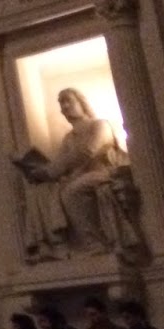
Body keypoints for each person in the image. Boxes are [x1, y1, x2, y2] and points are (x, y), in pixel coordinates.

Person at [15, 88, 141, 260]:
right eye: (61, 103)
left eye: (69, 101)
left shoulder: (100, 125)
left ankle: (94, 242)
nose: (65, 106)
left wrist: (50, 171)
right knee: (40, 191)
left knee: (73, 191)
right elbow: (60, 161)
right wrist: (40, 171)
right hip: (77, 176)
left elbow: (87, 151)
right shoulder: (69, 138)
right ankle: (54, 245)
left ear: (82, 103)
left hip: (103, 172)